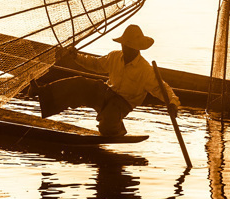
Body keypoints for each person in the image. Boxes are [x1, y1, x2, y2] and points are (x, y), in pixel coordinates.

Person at [37, 24, 179, 137]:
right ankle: (42, 92)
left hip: (122, 103)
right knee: (79, 83)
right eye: (124, 45)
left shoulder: (145, 70)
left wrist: (172, 103)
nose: (125, 48)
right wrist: (76, 57)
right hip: (106, 92)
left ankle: (117, 128)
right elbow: (96, 64)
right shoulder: (115, 56)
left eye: (128, 46)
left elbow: (162, 88)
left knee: (108, 122)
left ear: (137, 48)